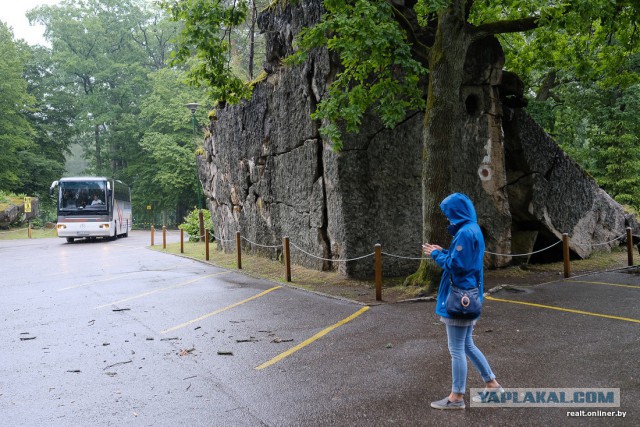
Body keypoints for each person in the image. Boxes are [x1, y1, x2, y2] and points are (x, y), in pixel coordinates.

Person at [422, 193, 502, 410]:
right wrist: (443, 251)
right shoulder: (473, 229)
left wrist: (437, 255)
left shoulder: (465, 233)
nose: (447, 218)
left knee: (456, 348)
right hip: (470, 294)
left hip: (459, 297)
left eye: (449, 214)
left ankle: (456, 397)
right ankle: (492, 384)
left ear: (457, 211)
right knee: (467, 344)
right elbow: (463, 261)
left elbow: (456, 266)